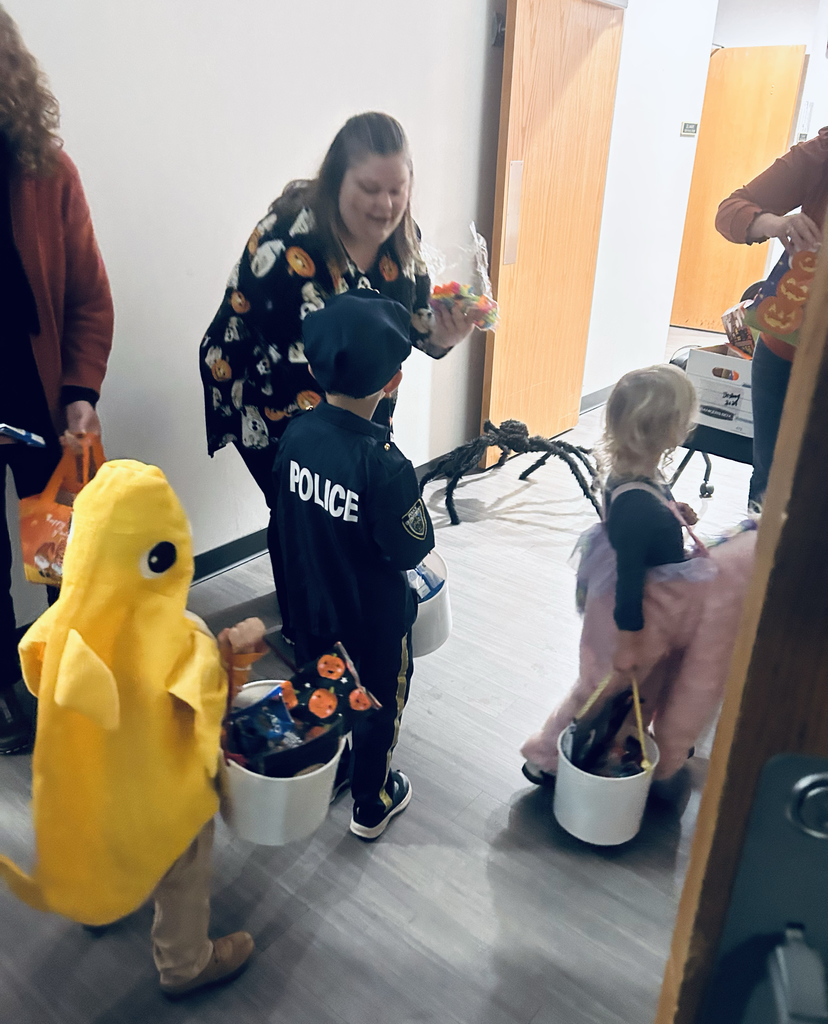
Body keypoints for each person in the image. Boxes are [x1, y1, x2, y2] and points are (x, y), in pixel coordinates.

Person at [198, 112, 470, 632]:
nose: (385, 205)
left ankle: (341, 621)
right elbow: (273, 356)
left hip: (355, 400)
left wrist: (444, 335)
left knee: (344, 512)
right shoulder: (286, 242)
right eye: (369, 188)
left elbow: (412, 328)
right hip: (268, 393)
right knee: (300, 511)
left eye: (397, 190)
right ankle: (307, 630)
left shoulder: (402, 239)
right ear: (336, 179)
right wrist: (338, 450)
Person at [521, 366, 756, 784]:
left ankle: (611, 749)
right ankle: (546, 755)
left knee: (630, 688)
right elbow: (630, 583)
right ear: (668, 430)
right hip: (634, 616)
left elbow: (646, 523)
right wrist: (628, 645)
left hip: (648, 605)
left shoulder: (637, 475)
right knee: (601, 688)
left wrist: (674, 512)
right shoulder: (638, 506)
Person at [271, 290, 435, 840]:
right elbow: (411, 549)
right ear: (394, 382)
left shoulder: (296, 436)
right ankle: (372, 800)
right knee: (379, 706)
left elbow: (283, 524)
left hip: (313, 610)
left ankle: (329, 770)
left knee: (325, 691)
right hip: (373, 626)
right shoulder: (385, 466)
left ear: (315, 372)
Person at [0, 5, 113, 754]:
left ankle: (69, 683)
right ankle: (5, 689)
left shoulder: (49, 173)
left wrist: (80, 392)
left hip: (39, 403)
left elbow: (90, 300)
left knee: (62, 558)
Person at [716, 129, 828, 511]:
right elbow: (731, 210)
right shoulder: (821, 154)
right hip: (787, 355)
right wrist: (777, 224)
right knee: (769, 492)